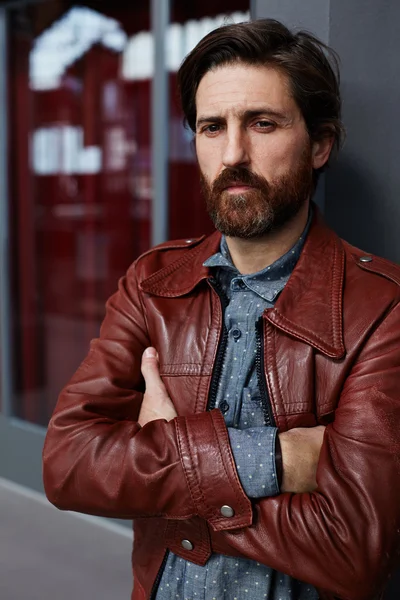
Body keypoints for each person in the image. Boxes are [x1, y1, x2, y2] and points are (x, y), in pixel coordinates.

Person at [43, 18, 400, 600]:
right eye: (212, 127)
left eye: (262, 123)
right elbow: (67, 464)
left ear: (319, 144)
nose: (232, 153)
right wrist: (278, 459)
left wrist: (164, 463)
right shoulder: (152, 283)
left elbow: (352, 550)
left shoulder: (385, 308)